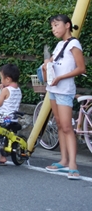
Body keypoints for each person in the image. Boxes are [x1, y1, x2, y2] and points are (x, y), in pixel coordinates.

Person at [42, 14, 86, 180]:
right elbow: (52, 63)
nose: (54, 29)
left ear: (67, 25)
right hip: (53, 89)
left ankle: (73, 164)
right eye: (52, 26)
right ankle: (64, 160)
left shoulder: (74, 44)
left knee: (67, 127)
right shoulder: (59, 45)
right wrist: (46, 66)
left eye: (56, 25)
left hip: (65, 90)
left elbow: (81, 68)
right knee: (59, 124)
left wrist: (61, 77)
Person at [0, 63, 22, 164]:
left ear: (8, 79)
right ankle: (3, 154)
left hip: (3, 118)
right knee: (6, 136)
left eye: (1, 78)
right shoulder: (18, 89)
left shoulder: (6, 90)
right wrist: (2, 88)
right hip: (13, 118)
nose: (0, 80)